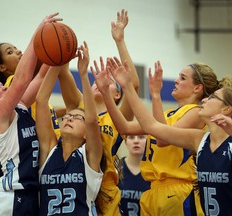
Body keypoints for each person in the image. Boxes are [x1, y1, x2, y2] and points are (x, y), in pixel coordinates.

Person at [105, 59, 232, 216]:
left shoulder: (196, 114)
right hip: (153, 189)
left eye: (183, 78)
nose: (205, 99)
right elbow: (128, 127)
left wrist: (141, 91)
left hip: (177, 190)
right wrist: (110, 93)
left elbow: (161, 137)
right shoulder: (193, 133)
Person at [0, 13, 61, 215]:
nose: (3, 89)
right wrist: (39, 34)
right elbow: (21, 80)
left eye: (2, 85)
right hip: (8, 198)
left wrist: (58, 50)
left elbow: (41, 76)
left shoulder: (19, 107)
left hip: (28, 197)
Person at [52, 9, 139, 215]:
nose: (102, 81)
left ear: (117, 95)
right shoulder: (78, 105)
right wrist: (64, 47)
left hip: (104, 190)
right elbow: (62, 73)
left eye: (110, 81)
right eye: (98, 79)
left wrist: (120, 41)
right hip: (72, 182)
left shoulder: (118, 117)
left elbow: (133, 85)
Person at [36, 41, 103, 215]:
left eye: (77, 117)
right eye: (67, 116)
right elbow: (41, 100)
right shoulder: (48, 150)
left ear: (87, 134)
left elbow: (92, 120)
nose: (69, 119)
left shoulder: (89, 157)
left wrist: (83, 75)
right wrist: (57, 61)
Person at [118, 135, 150, 216]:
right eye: (131, 137)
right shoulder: (116, 169)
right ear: (125, 142)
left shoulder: (154, 172)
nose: (136, 141)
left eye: (141, 137)